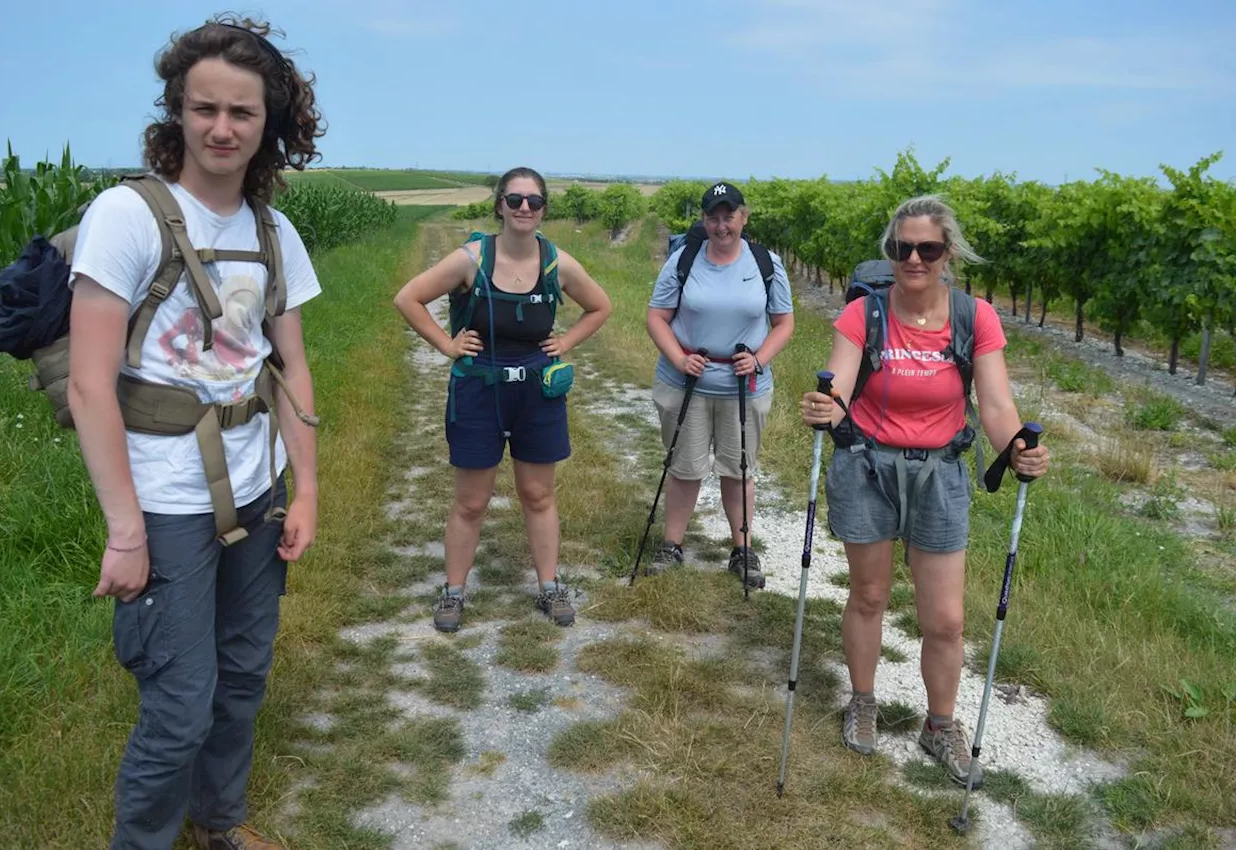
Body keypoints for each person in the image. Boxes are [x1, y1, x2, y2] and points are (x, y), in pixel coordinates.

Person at [67, 16, 324, 850]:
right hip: (164, 499)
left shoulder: (273, 232)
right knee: (179, 706)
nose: (221, 128)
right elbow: (89, 384)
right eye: (203, 107)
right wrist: (124, 529)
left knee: (243, 676)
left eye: (242, 113)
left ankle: (218, 822)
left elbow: (290, 370)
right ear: (176, 109)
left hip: (257, 486)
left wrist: (307, 490)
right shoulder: (129, 215)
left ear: (270, 123)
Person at [799, 195, 1050, 788]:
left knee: (946, 621)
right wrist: (824, 404)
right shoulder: (864, 315)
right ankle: (862, 701)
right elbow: (840, 382)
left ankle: (939, 725)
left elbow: (994, 403)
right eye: (902, 248)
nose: (914, 258)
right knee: (869, 595)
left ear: (948, 253)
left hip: (941, 474)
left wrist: (1017, 446)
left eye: (927, 248)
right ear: (891, 252)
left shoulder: (975, 317)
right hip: (867, 467)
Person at [393, 167, 612, 634]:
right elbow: (408, 298)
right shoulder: (470, 260)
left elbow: (601, 306)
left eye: (534, 201)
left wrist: (566, 342)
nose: (525, 209)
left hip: (537, 389)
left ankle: (550, 586)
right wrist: (447, 345)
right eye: (515, 200)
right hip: (479, 388)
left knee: (538, 494)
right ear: (499, 206)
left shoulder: (557, 263)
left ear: (544, 208)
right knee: (471, 502)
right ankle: (453, 593)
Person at [643, 181, 795, 587]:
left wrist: (760, 359)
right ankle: (671, 545)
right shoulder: (684, 259)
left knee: (740, 469)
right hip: (685, 381)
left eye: (729, 216)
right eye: (713, 216)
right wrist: (679, 358)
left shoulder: (766, 263)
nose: (721, 225)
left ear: (744, 217)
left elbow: (784, 323)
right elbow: (657, 316)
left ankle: (742, 549)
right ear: (704, 220)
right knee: (684, 467)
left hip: (745, 387)